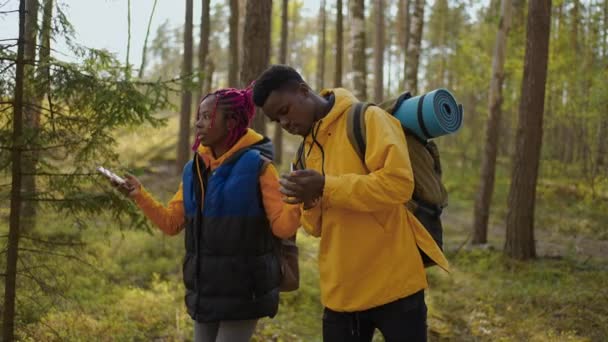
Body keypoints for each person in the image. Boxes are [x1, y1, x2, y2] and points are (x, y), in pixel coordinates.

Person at [252, 65, 449, 342]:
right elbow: (315, 228)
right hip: (341, 292)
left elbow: (398, 185)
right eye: (276, 120)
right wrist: (309, 202)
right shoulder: (303, 154)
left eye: (284, 111)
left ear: (303, 91)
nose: (285, 124)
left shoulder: (367, 119)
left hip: (396, 283)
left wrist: (325, 185)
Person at [114, 87, 300, 342]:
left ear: (231, 122)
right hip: (205, 292)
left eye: (205, 116)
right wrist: (139, 195)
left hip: (245, 293)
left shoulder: (259, 167)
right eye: (198, 116)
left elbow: (282, 227)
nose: (198, 123)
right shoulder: (194, 170)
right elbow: (171, 223)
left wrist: (299, 199)